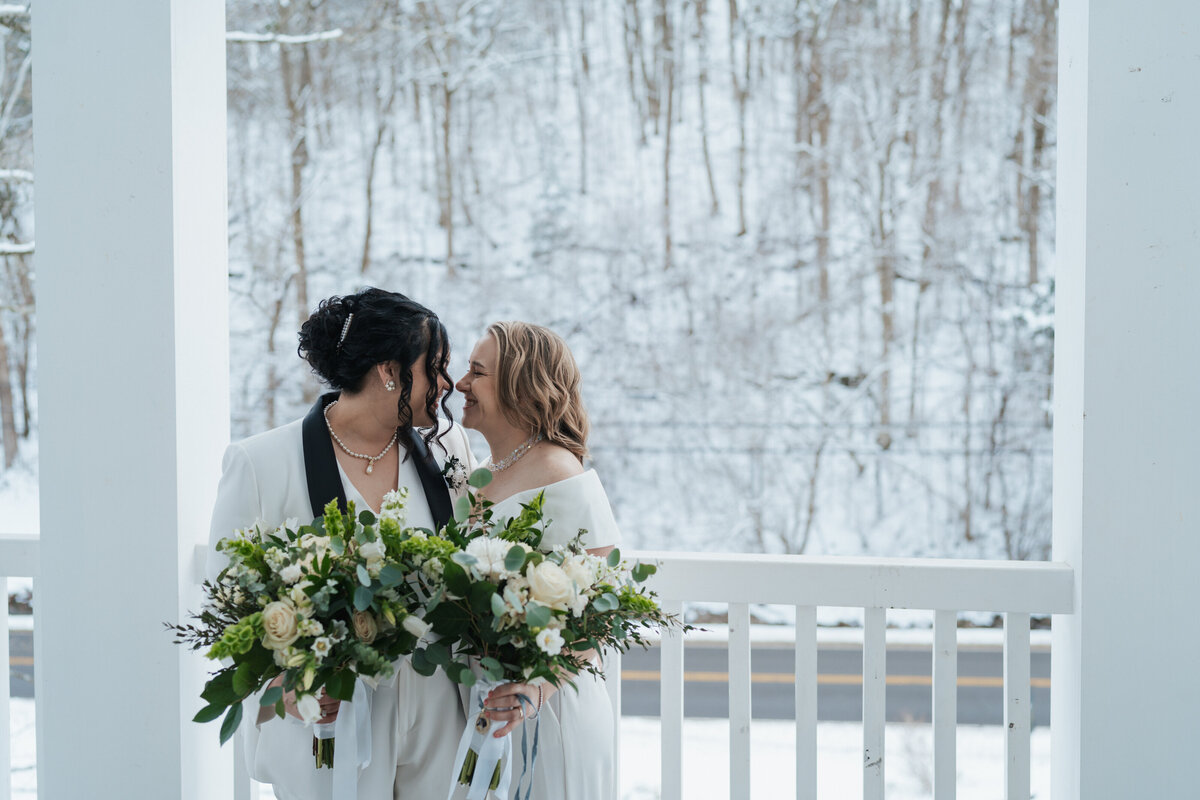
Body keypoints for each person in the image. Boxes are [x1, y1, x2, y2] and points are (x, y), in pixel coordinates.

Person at [207, 288, 475, 800]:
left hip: (439, 706)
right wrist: (288, 686)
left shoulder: (449, 449)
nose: (446, 384)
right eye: (435, 367)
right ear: (388, 371)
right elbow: (227, 604)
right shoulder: (260, 463)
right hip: (329, 713)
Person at [454, 321, 619, 800]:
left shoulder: (558, 470)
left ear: (519, 386)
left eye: (476, 372)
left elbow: (602, 610)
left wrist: (536, 690)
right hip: (490, 701)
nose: (461, 384)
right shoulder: (480, 473)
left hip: (548, 711)